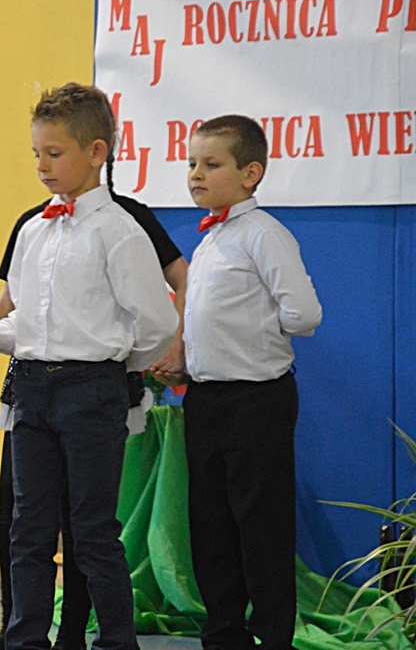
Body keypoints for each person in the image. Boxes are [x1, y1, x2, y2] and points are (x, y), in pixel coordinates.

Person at [0, 82, 178, 650]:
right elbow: (26, 325)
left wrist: (110, 365)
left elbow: (156, 322)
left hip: (91, 392)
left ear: (97, 152)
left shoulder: (119, 231)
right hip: (31, 389)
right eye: (36, 154)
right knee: (27, 529)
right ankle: (26, 639)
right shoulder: (34, 230)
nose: (42, 166)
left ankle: (116, 641)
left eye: (54, 153)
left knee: (93, 531)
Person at [162, 115, 321, 650]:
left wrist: (253, 342)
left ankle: (273, 637)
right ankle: (223, 634)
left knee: (261, 525)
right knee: (211, 525)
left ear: (251, 173)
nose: (195, 174)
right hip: (206, 399)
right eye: (192, 163)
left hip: (256, 400)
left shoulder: (264, 234)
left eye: (211, 164)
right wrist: (187, 357)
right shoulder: (211, 239)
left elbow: (304, 314)